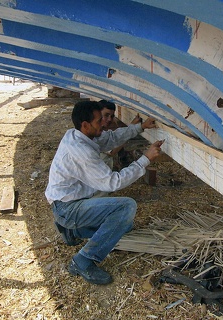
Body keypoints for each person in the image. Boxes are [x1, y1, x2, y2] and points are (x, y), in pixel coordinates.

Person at [45, 100, 164, 285]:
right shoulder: (81, 151)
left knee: (123, 227)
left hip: (66, 202)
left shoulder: (77, 135)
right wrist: (145, 159)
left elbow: (110, 139)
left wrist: (139, 127)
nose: (104, 123)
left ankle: (73, 231)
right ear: (85, 125)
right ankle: (83, 260)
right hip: (68, 209)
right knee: (126, 208)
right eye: (99, 120)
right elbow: (112, 182)